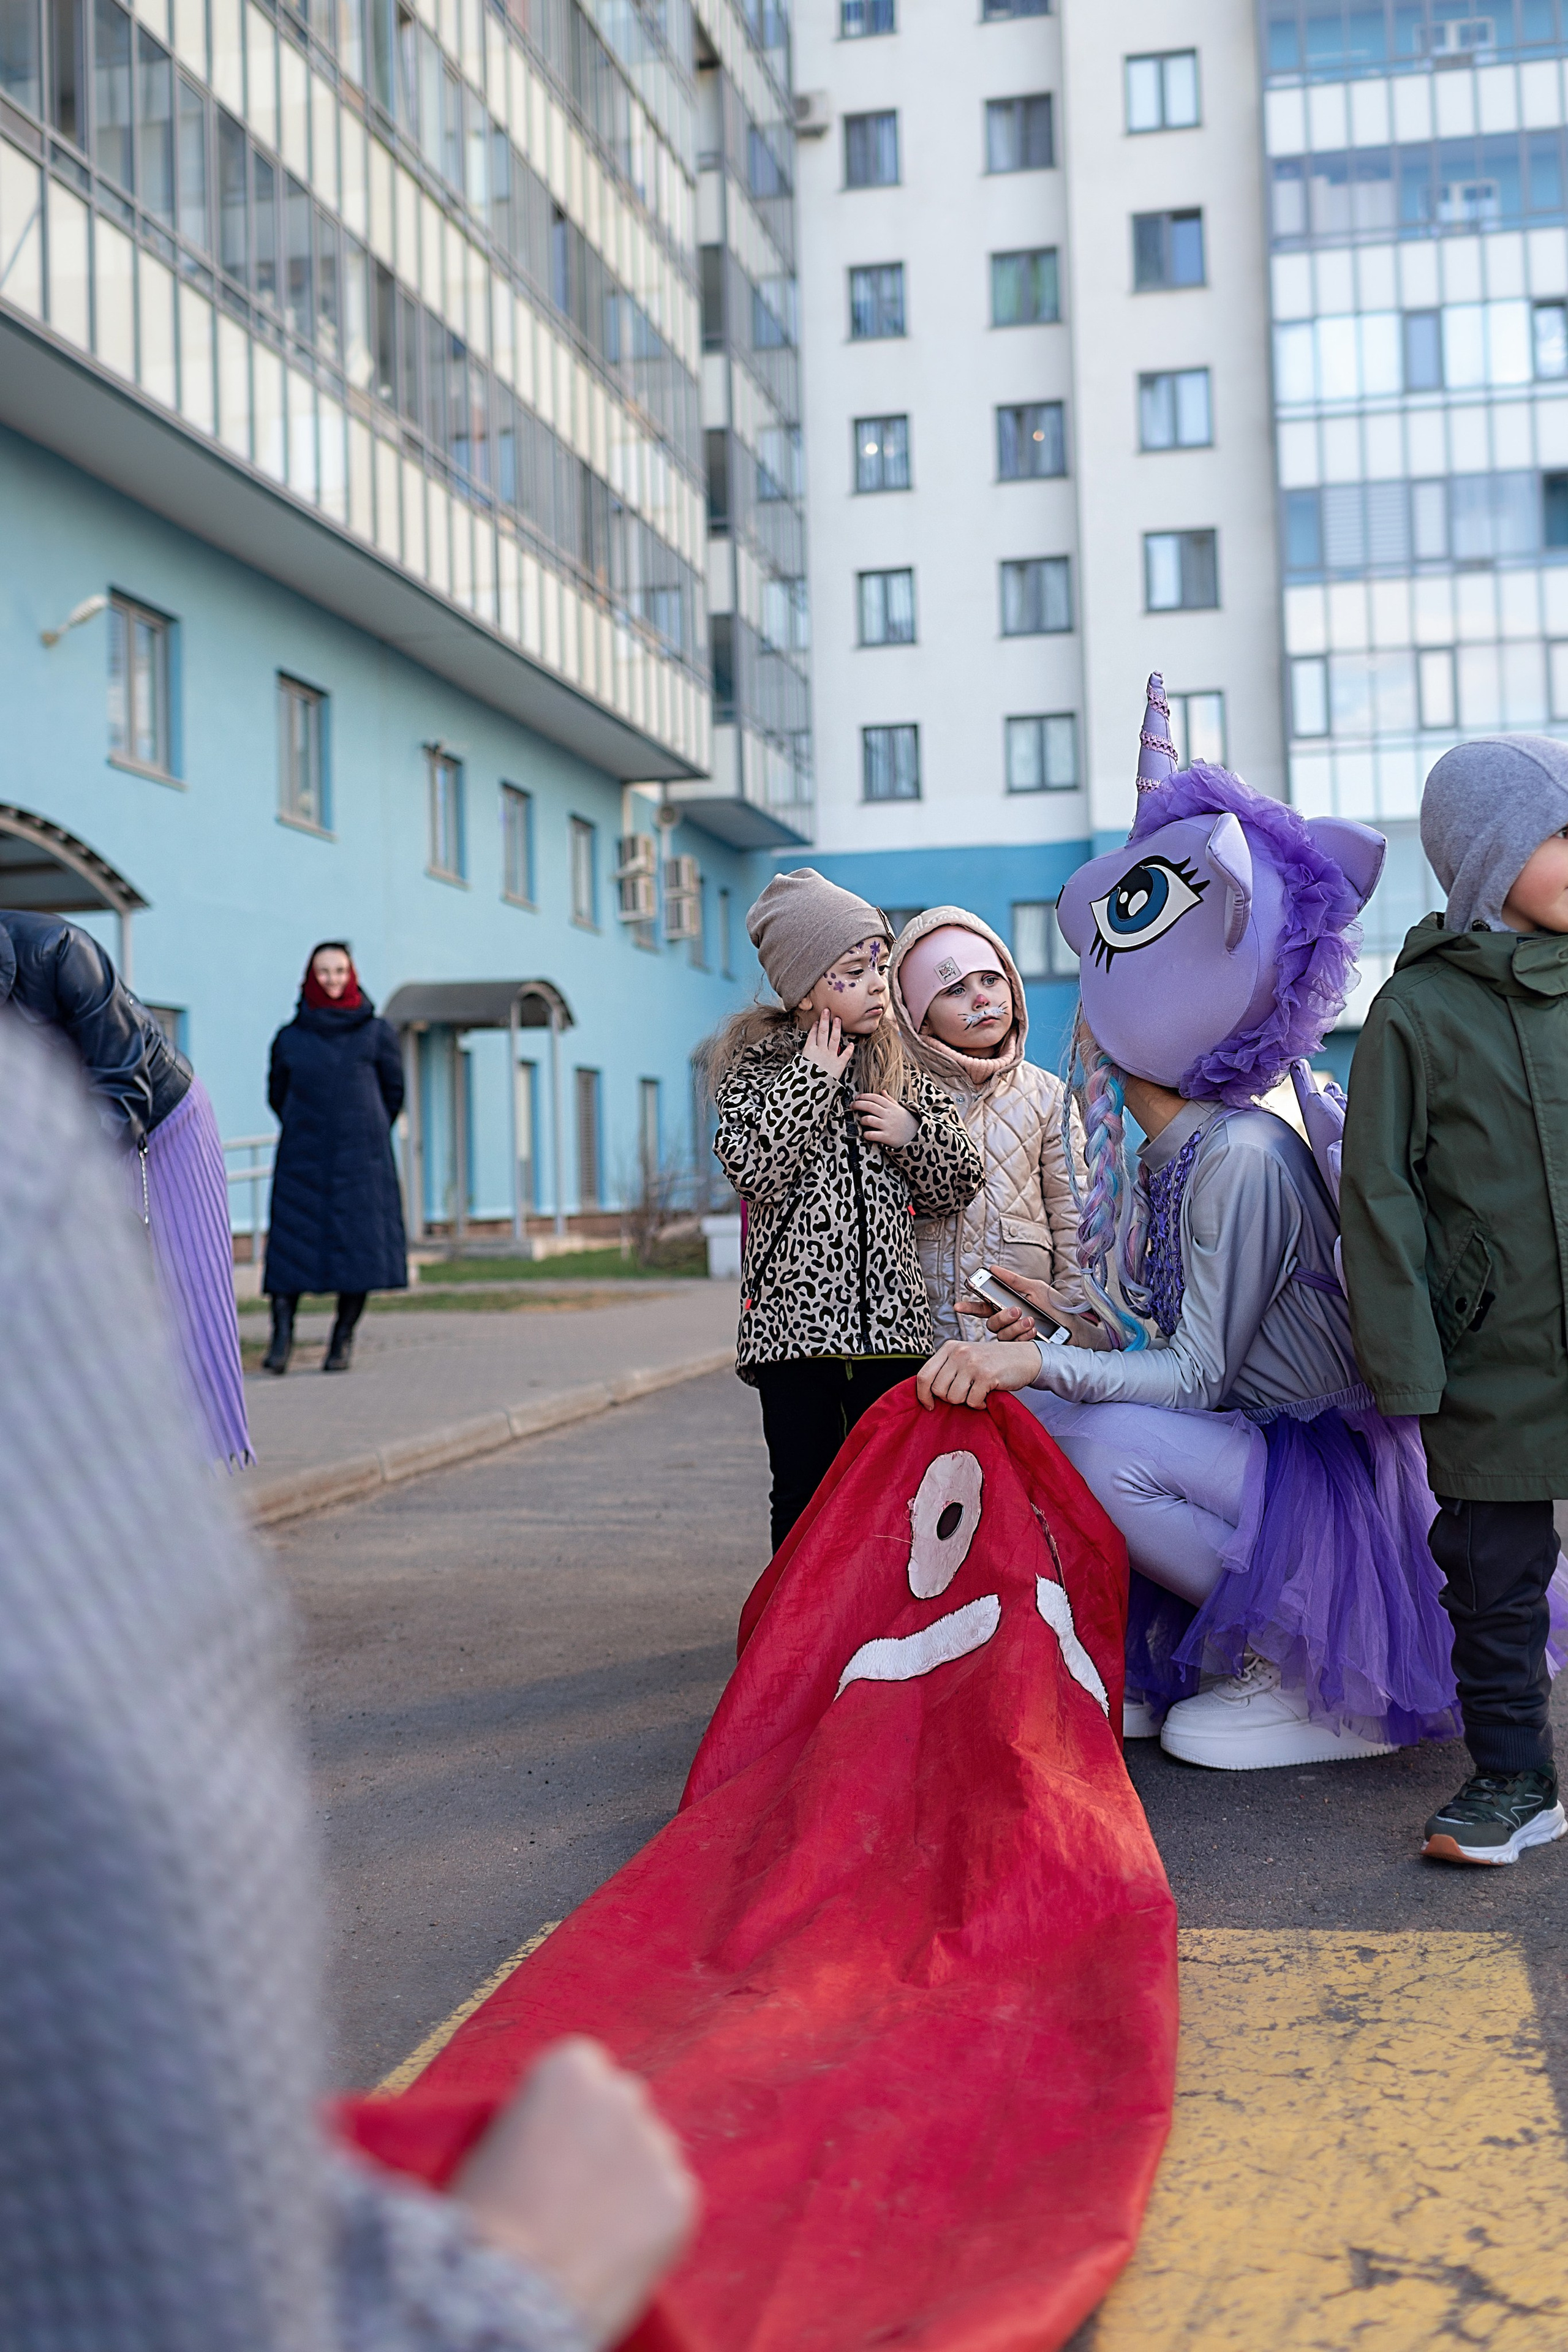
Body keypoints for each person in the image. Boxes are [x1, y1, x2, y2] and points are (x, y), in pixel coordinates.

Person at [0, 1004, 697, 2352]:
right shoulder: (28, 1160)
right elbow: (165, 2251)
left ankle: (317, 1340)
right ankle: (299, 1344)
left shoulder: (346, 1046)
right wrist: (509, 2281)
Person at [913, 677, 1463, 1773]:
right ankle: (1247, 1653)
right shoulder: (1181, 1153)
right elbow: (1164, 1339)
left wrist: (1039, 1362)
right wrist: (1059, 1321)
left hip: (1315, 1477)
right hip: (1255, 1453)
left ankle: (1308, 1670)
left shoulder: (1243, 1156)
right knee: (1067, 1430)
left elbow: (1201, 1376)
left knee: (1096, 1438)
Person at [1341, 736, 1568, 1867]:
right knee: (1491, 1578)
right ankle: (1514, 1777)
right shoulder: (1417, 1013)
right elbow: (1379, 1198)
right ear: (1489, 857)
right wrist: (1409, 1369)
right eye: (1556, 833)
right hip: (1495, 1355)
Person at [709, 868, 984, 1553]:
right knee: (802, 1491)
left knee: (891, 1495)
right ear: (804, 992)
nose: (874, 985)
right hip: (793, 1338)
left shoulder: (896, 1069)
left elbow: (960, 1181)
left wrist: (911, 1136)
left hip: (890, 1333)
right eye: (852, 971)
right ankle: (794, 1643)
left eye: (879, 967)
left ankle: (872, 1634)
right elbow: (752, 1169)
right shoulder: (757, 1071)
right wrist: (811, 1079)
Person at [0, 907, 250, 1465]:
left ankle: (197, 1472)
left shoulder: (61, 951)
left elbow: (124, 1089)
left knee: (188, 1298)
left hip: (160, 1121)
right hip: (61, 1142)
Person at [887, 906, 1102, 1348]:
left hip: (1022, 1328)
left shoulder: (1047, 1095)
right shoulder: (899, 1094)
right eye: (954, 990)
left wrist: (1075, 1321)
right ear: (920, 1018)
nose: (981, 999)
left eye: (990, 980)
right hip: (926, 1330)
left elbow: (1073, 1212)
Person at [264, 941, 407, 1374]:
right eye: (323, 972)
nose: (332, 979)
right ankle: (281, 1339)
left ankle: (341, 1341)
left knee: (358, 1255)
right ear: (310, 977)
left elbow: (394, 1092)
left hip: (361, 1161)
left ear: (353, 975)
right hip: (302, 1157)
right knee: (290, 1252)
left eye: (340, 971)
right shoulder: (289, 1037)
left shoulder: (376, 1032)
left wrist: (367, 1127)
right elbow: (277, 1094)